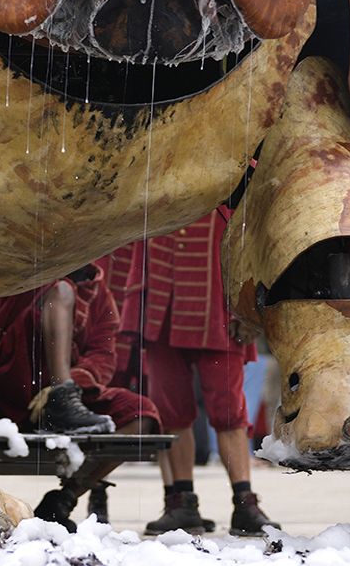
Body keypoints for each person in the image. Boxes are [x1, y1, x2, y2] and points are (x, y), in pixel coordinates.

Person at [109, 211, 277, 537]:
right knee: (170, 410)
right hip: (160, 300)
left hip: (218, 305)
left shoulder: (239, 172)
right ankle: (180, 503)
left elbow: (256, 237)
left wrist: (252, 307)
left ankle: (245, 503)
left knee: (229, 410)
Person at [0, 264, 160, 526]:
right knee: (61, 290)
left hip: (73, 404)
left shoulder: (99, 294)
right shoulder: (31, 270)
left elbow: (103, 357)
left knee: (141, 413)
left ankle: (62, 500)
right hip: (13, 384)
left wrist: (70, 384)